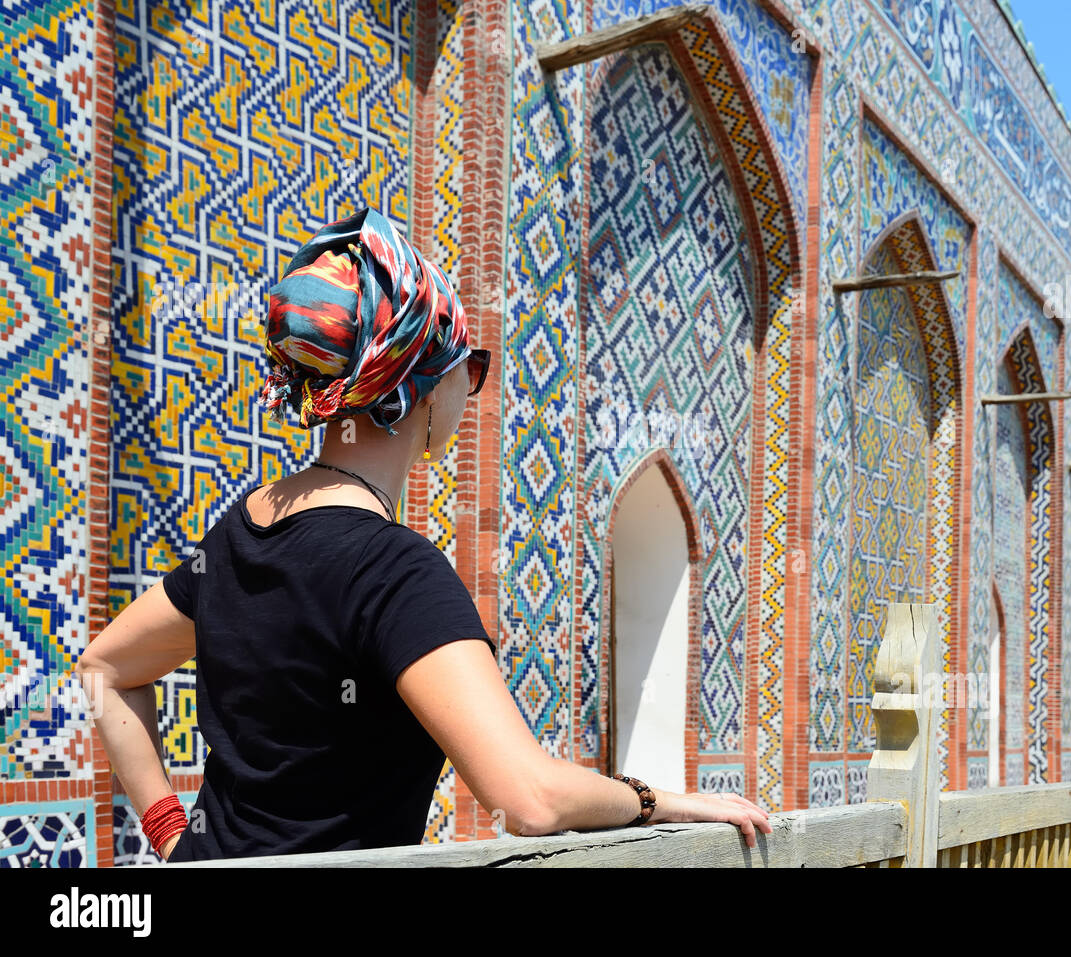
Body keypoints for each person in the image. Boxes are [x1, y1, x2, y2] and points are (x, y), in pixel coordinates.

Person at [76, 206, 772, 862]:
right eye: (466, 370)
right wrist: (658, 799)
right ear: (416, 383)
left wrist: (175, 839)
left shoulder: (238, 533)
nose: (467, 395)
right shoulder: (392, 571)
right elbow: (529, 795)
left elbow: (105, 668)